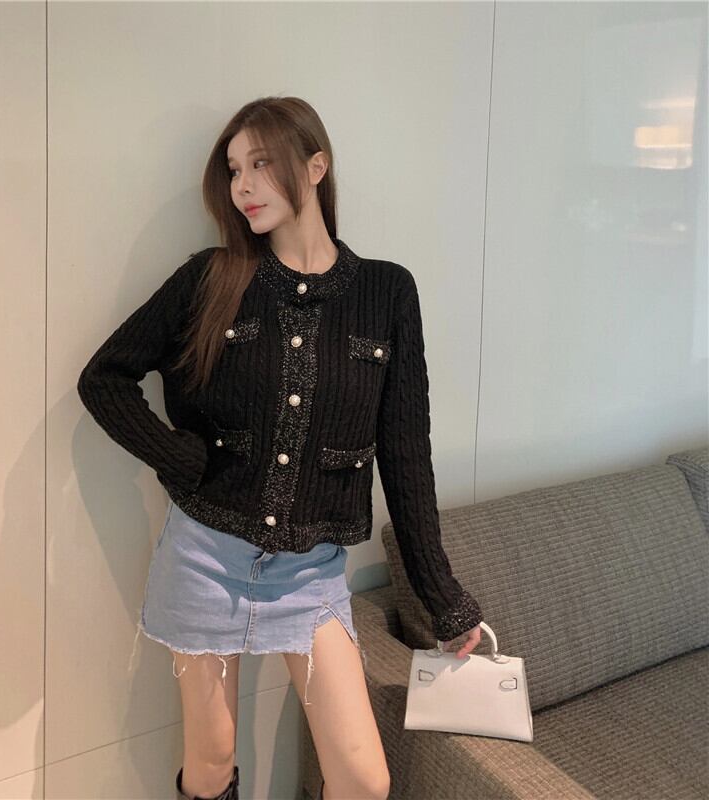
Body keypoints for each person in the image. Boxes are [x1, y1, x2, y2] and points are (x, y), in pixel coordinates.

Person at [77, 96, 483, 800]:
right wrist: (178, 458)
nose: (243, 186)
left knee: (364, 778)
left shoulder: (387, 291)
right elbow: (104, 378)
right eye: (234, 169)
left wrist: (442, 598)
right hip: (204, 558)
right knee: (212, 760)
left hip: (310, 575)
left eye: (261, 164)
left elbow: (406, 457)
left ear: (316, 166)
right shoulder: (212, 277)